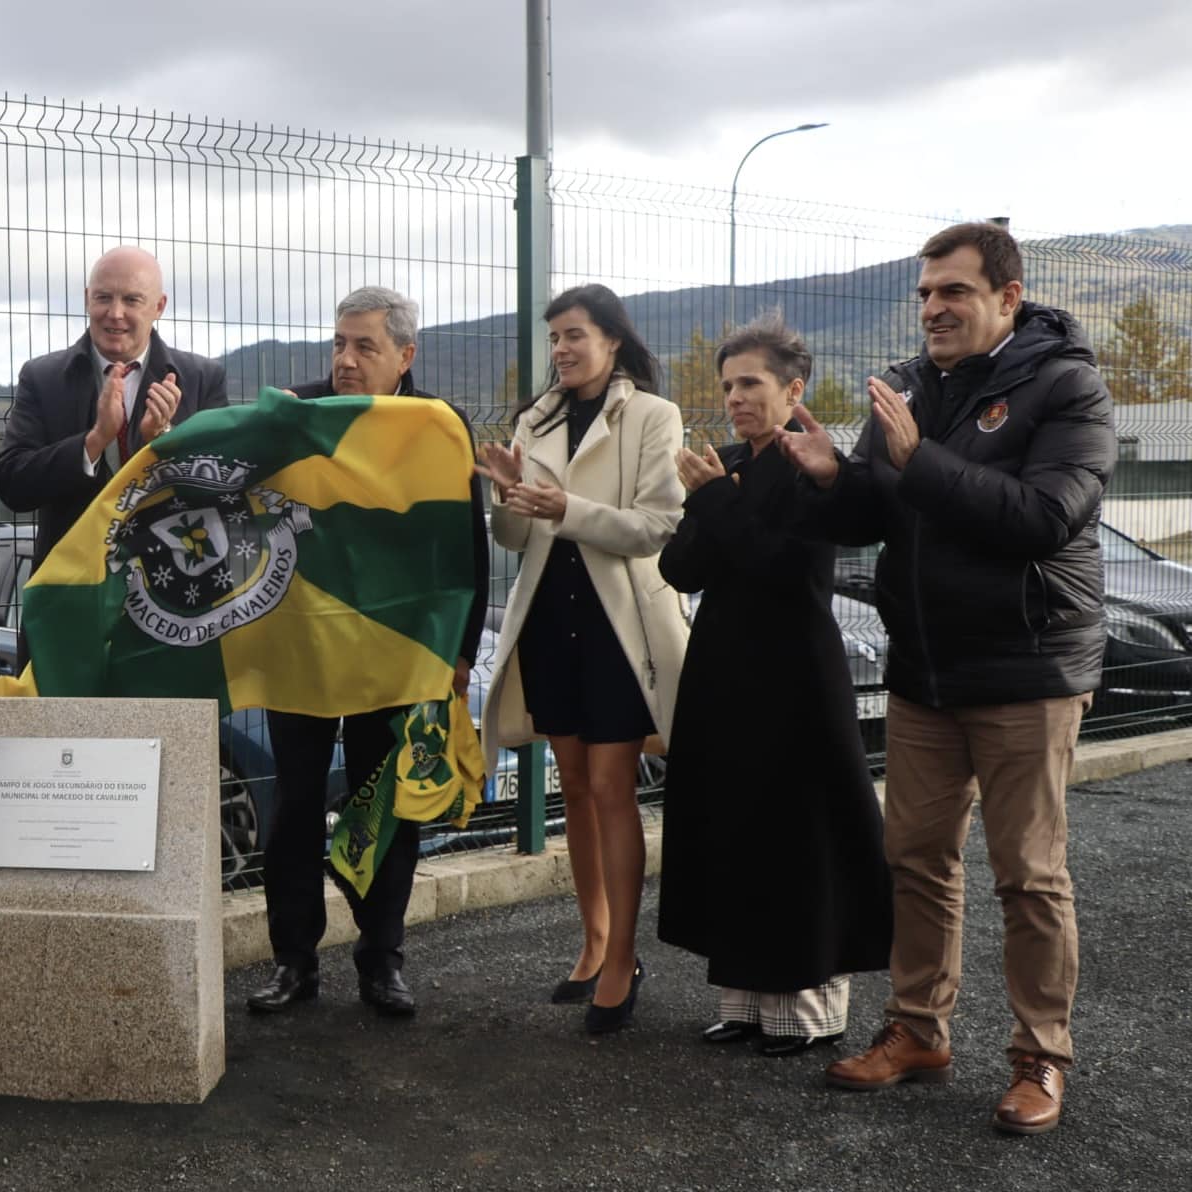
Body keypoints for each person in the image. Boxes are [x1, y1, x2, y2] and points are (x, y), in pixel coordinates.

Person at [778, 221, 1117, 1134]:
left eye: (953, 292)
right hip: (925, 667)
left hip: (1026, 666)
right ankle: (920, 1028)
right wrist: (829, 481)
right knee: (915, 858)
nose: (932, 308)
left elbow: (1043, 517)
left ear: (1007, 298)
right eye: (925, 292)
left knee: (1028, 872)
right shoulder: (909, 383)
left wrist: (916, 460)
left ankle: (1041, 1056)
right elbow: (876, 505)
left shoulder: (1066, 386)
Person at [245, 286, 489, 1019]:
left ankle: (381, 959)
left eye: (365, 347)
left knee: (383, 805)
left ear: (405, 356)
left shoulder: (436, 428)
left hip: (393, 653)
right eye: (339, 345)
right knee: (292, 806)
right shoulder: (300, 414)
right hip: (302, 649)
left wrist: (461, 649)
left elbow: (465, 546)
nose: (345, 362)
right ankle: (293, 961)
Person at [655, 314, 892, 1056]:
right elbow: (679, 570)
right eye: (727, 385)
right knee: (735, 828)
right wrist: (703, 501)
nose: (735, 397)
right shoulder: (724, 465)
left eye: (751, 382)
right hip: (725, 674)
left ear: (794, 389)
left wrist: (717, 504)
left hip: (795, 678)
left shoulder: (815, 468)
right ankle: (745, 999)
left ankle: (808, 1010)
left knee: (798, 836)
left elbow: (786, 570)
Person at [477, 283, 686, 1035]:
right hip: (549, 622)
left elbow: (655, 526)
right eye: (554, 338)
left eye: (574, 335)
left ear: (613, 341)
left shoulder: (653, 416)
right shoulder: (536, 419)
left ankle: (624, 955)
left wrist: (567, 510)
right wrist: (506, 497)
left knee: (609, 786)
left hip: (617, 624)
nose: (561, 350)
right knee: (572, 782)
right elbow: (513, 537)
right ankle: (594, 940)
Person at [0, 244, 229, 637]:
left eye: (132, 299)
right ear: (87, 299)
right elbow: (12, 484)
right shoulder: (43, 377)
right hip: (70, 603)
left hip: (170, 604)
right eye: (103, 297)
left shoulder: (202, 380)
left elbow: (219, 496)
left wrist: (162, 444)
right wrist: (95, 440)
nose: (114, 313)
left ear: (159, 306)